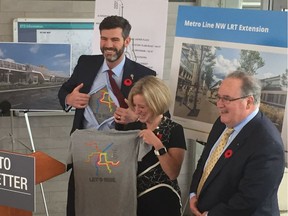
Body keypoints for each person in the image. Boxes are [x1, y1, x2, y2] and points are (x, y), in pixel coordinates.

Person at [58, 15, 156, 216]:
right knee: (79, 206)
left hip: (121, 158)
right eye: (104, 39)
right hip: (85, 153)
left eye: (114, 40)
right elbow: (64, 90)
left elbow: (161, 116)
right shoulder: (86, 63)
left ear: (127, 41)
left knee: (117, 208)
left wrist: (136, 116)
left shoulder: (144, 75)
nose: (108, 45)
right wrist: (69, 98)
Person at [189, 71, 285, 216]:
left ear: (248, 102)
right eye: (219, 97)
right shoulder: (222, 123)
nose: (219, 104)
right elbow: (205, 162)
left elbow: (249, 199)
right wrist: (193, 194)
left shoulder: (268, 144)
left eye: (226, 99)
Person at [124, 75, 187, 216]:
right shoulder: (132, 128)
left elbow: (172, 173)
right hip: (134, 203)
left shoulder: (174, 129)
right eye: (134, 105)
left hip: (164, 202)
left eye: (142, 106)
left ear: (156, 104)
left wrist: (157, 144)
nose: (137, 111)